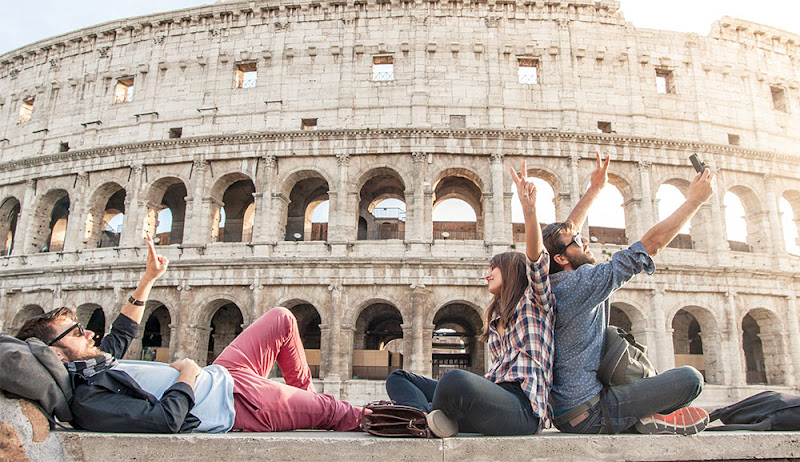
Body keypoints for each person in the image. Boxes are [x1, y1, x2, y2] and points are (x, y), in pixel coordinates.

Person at [15, 234, 363, 433]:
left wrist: (149, 278)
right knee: (341, 413)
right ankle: (386, 418)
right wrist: (187, 375)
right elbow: (165, 420)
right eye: (76, 332)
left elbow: (122, 330)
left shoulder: (98, 364)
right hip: (235, 403)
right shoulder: (89, 401)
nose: (89, 334)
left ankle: (308, 405)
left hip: (227, 373)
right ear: (56, 354)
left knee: (282, 318)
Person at [543, 153, 714, 435]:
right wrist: (695, 200)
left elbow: (564, 237)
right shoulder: (582, 283)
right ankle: (645, 417)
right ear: (562, 259)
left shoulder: (553, 283)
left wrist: (594, 190)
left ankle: (647, 417)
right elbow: (651, 244)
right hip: (591, 413)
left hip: (567, 413)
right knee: (690, 380)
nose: (584, 239)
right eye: (577, 241)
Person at [384, 160, 556, 437]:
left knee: (454, 379)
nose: (487, 275)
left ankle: (425, 416)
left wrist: (530, 211)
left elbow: (537, 259)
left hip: (523, 410)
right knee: (399, 377)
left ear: (512, 271)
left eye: (493, 268)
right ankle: (427, 418)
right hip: (492, 400)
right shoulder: (497, 317)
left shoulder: (535, 301)